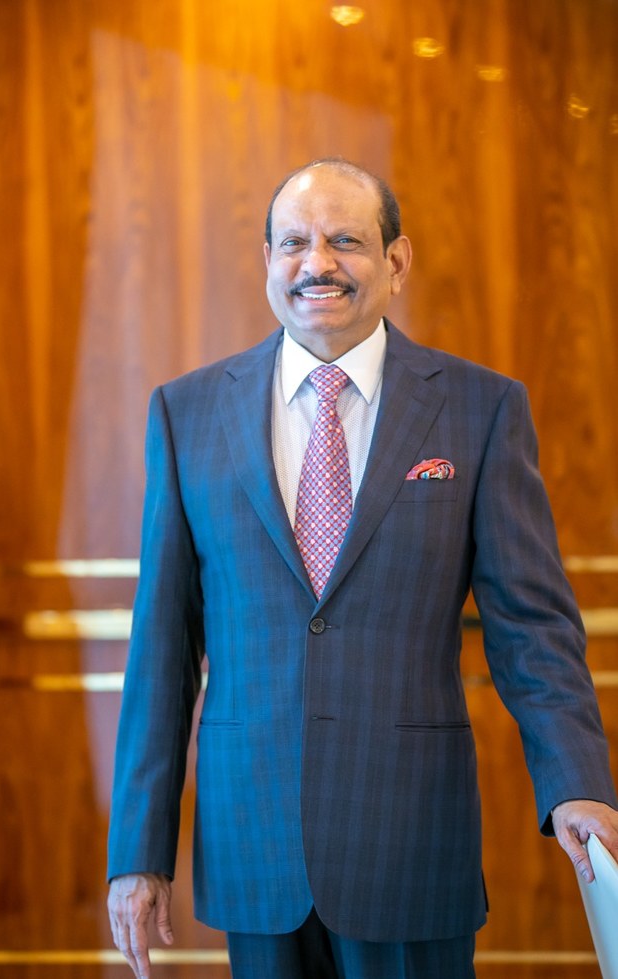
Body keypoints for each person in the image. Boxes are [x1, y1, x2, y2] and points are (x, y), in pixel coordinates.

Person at [107, 158, 618, 979]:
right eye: (294, 244)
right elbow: (161, 648)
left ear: (396, 260)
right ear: (267, 260)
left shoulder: (480, 408)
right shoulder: (187, 412)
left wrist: (576, 782)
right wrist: (138, 849)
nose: (318, 264)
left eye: (345, 241)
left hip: (408, 839)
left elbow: (534, 627)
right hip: (253, 839)